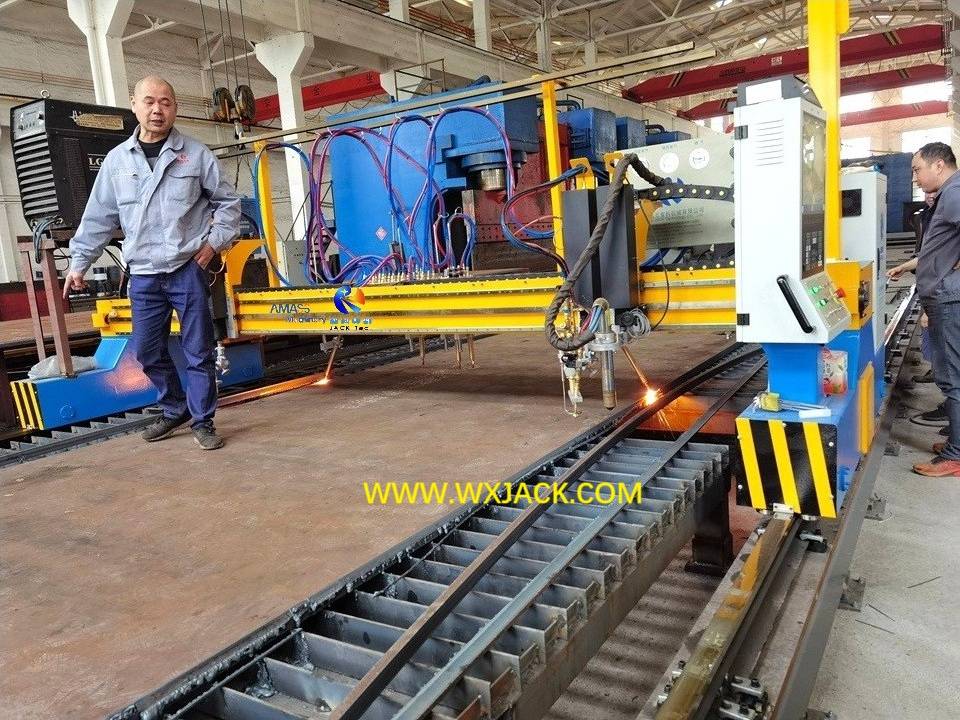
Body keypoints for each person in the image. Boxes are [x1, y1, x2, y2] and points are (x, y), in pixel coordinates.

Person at [63, 76, 240, 450]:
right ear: (134, 105)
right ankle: (176, 407)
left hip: (186, 269)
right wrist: (79, 263)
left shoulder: (196, 155)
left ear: (175, 108)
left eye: (165, 102)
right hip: (143, 273)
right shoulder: (117, 162)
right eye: (149, 101)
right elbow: (98, 217)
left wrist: (211, 247)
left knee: (198, 351)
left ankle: (203, 421)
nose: (157, 109)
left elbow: (229, 205)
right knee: (146, 350)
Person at [907, 142, 960, 476]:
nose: (915, 177)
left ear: (938, 165)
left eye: (917, 169)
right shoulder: (948, 193)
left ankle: (956, 456)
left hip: (948, 300)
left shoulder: (954, 193)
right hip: (944, 296)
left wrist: (949, 280)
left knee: (952, 376)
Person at [888, 190, 937, 383]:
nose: (930, 196)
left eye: (935, 192)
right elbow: (927, 255)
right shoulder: (925, 217)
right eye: (926, 193)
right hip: (930, 284)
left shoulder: (946, 218)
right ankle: (938, 371)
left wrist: (931, 310)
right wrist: (905, 267)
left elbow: (943, 261)